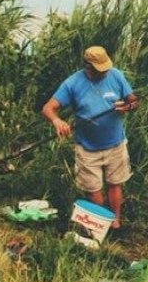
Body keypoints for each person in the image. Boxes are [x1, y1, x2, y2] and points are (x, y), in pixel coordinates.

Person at [41, 45, 138, 232]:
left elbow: (134, 100)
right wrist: (57, 121)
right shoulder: (72, 83)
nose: (105, 72)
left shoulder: (116, 75)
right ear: (88, 66)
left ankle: (115, 223)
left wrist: (128, 107)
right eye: (100, 69)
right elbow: (48, 108)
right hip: (87, 148)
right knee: (93, 190)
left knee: (115, 184)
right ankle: (100, 226)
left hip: (116, 143)